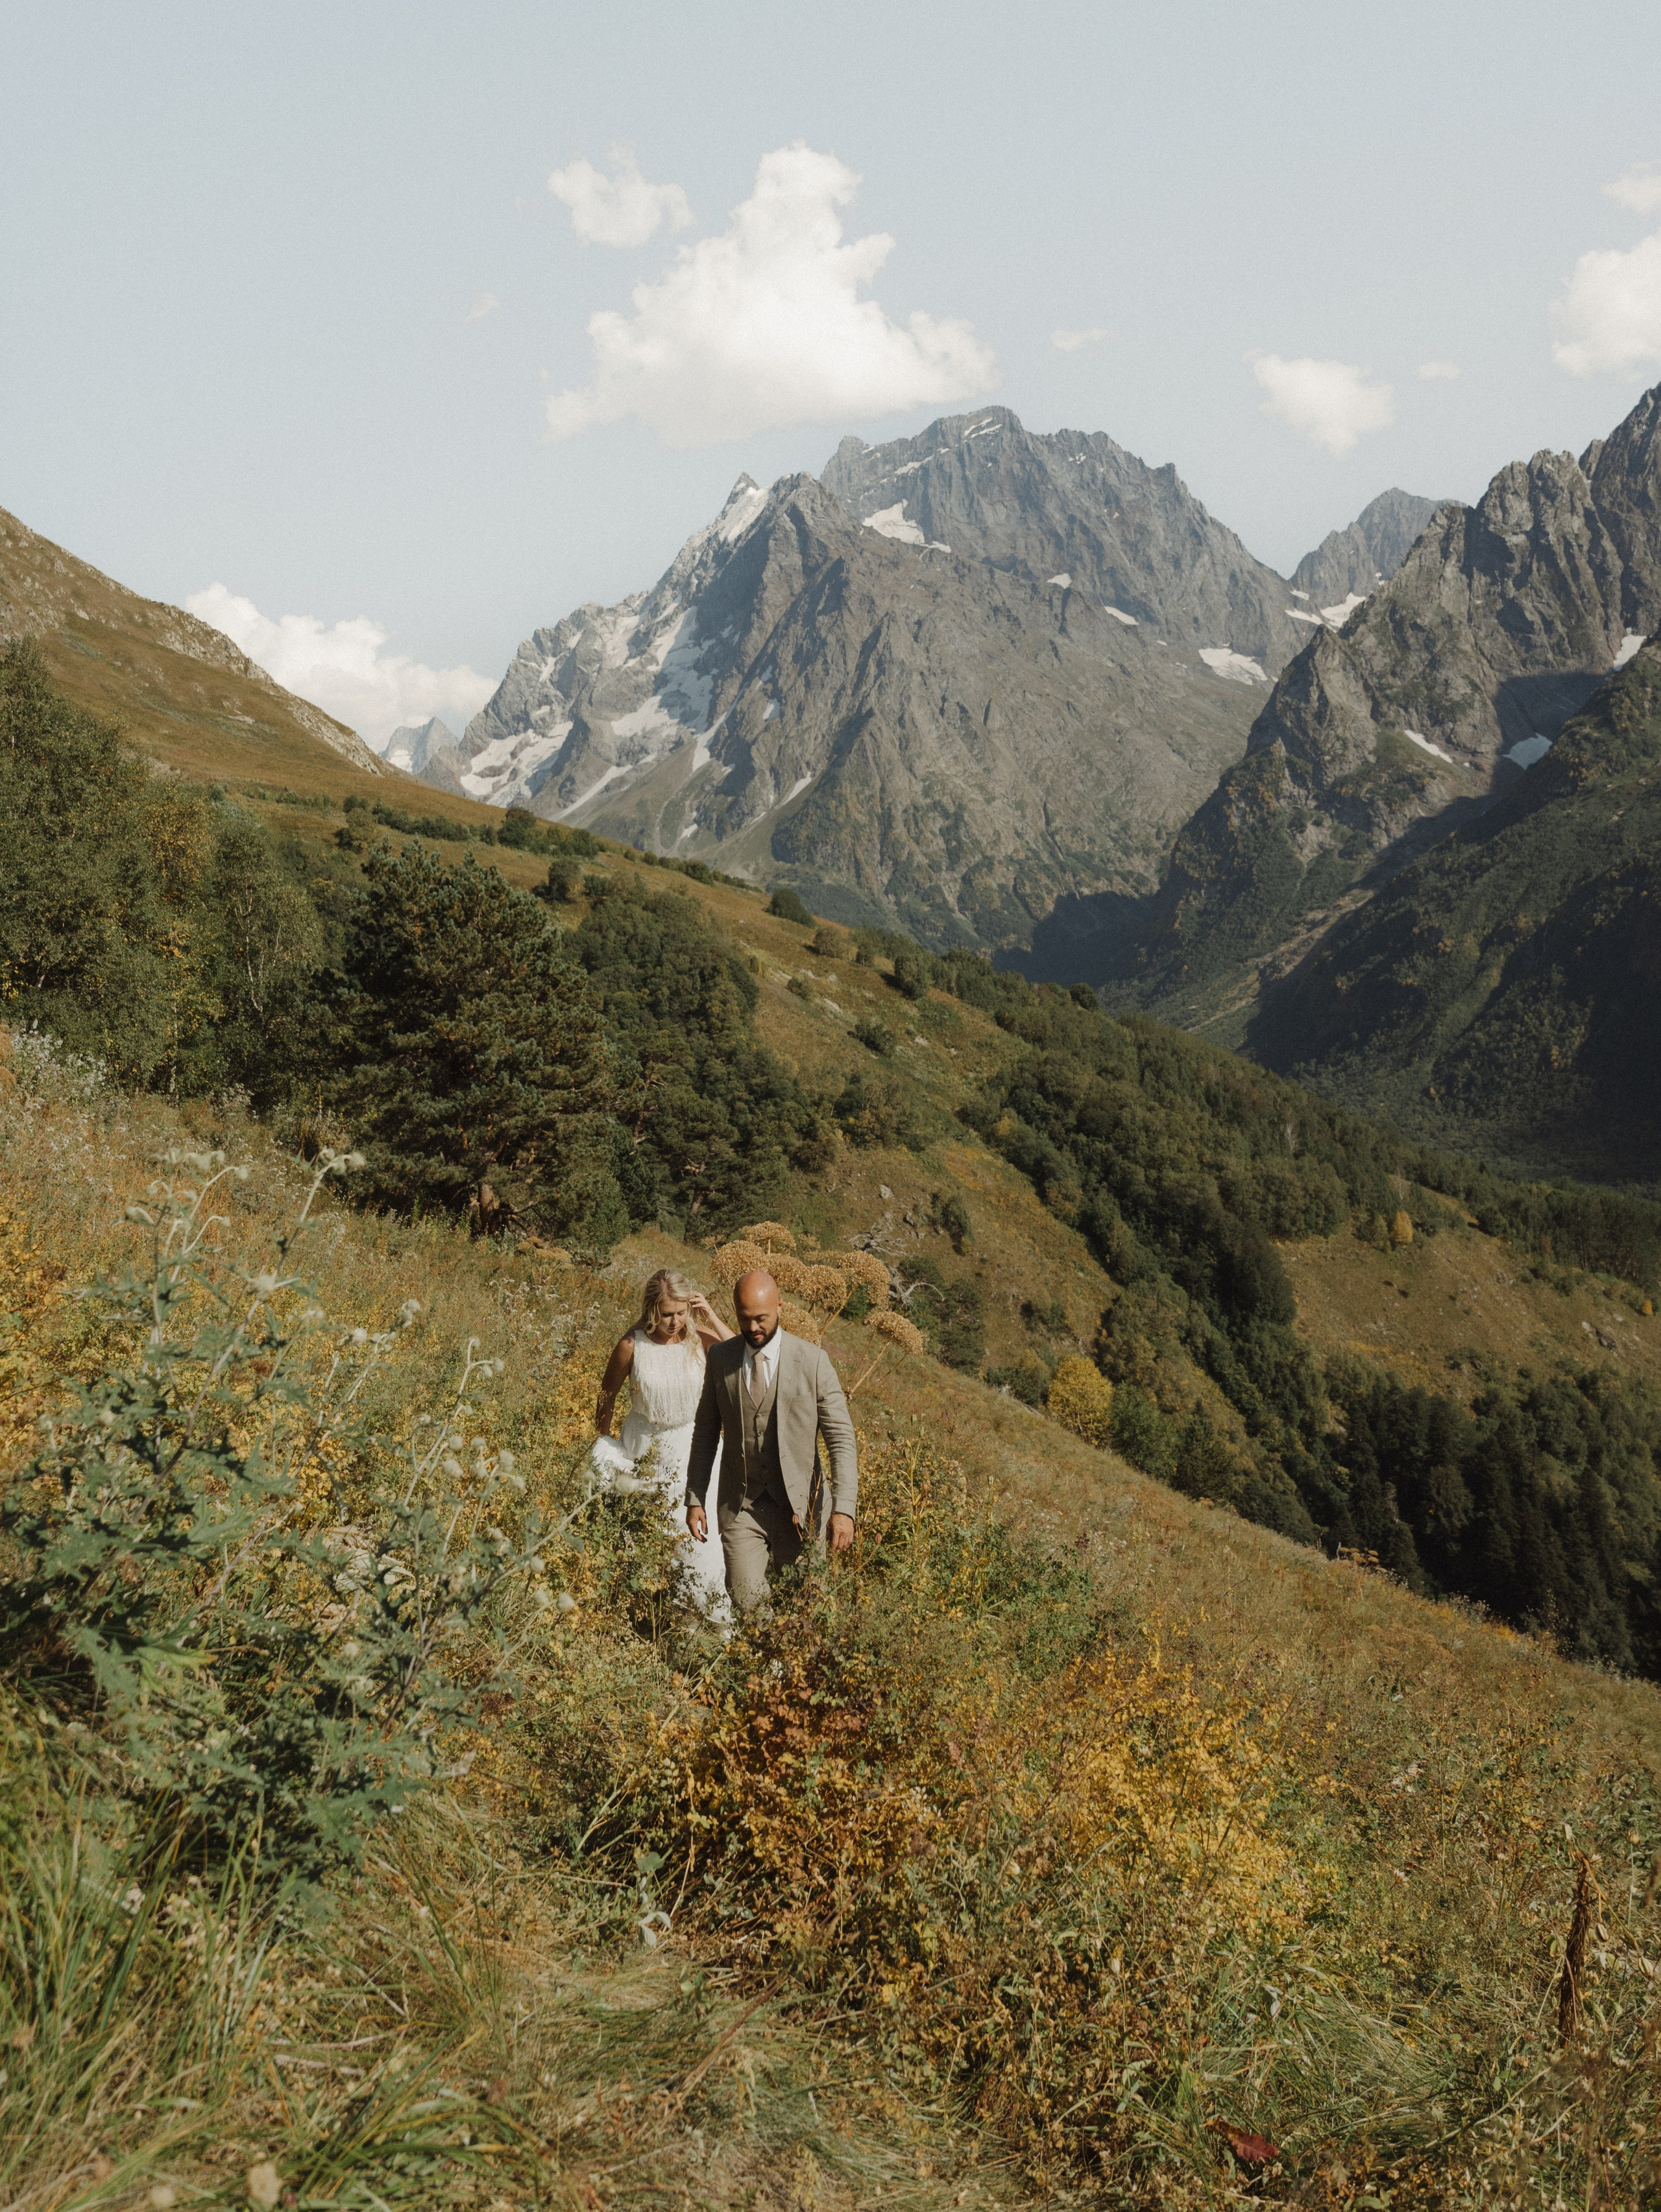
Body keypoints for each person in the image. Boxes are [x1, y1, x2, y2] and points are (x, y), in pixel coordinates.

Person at [685, 1269, 858, 1612]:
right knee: (748, 1604)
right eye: (744, 1319)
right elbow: (705, 1432)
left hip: (802, 1510)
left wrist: (844, 1509)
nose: (753, 1329)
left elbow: (841, 1439)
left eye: (761, 1319)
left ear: (780, 1306)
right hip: (741, 1507)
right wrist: (695, 1496)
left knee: (806, 1610)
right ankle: (761, 1666)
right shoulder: (720, 1359)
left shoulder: (813, 1361)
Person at [595, 1269, 734, 1615]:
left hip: (693, 1449)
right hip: (644, 1446)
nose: (675, 1322)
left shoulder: (699, 1338)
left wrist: (712, 1317)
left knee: (699, 1543)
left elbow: (743, 1354)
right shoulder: (632, 1345)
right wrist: (605, 1441)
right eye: (667, 1313)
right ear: (651, 1310)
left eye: (682, 1312)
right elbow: (606, 1396)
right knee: (646, 1533)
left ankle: (703, 1613)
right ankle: (642, 1609)